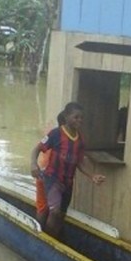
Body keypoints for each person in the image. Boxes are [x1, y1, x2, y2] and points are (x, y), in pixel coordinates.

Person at [30, 102, 105, 238]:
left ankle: (53, 239)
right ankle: (45, 240)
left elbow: (79, 162)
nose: (79, 120)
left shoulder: (80, 140)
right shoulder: (56, 134)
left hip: (68, 183)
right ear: (66, 116)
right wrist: (33, 165)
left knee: (61, 216)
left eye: (81, 118)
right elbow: (37, 149)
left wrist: (92, 176)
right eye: (76, 117)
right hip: (52, 179)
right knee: (54, 211)